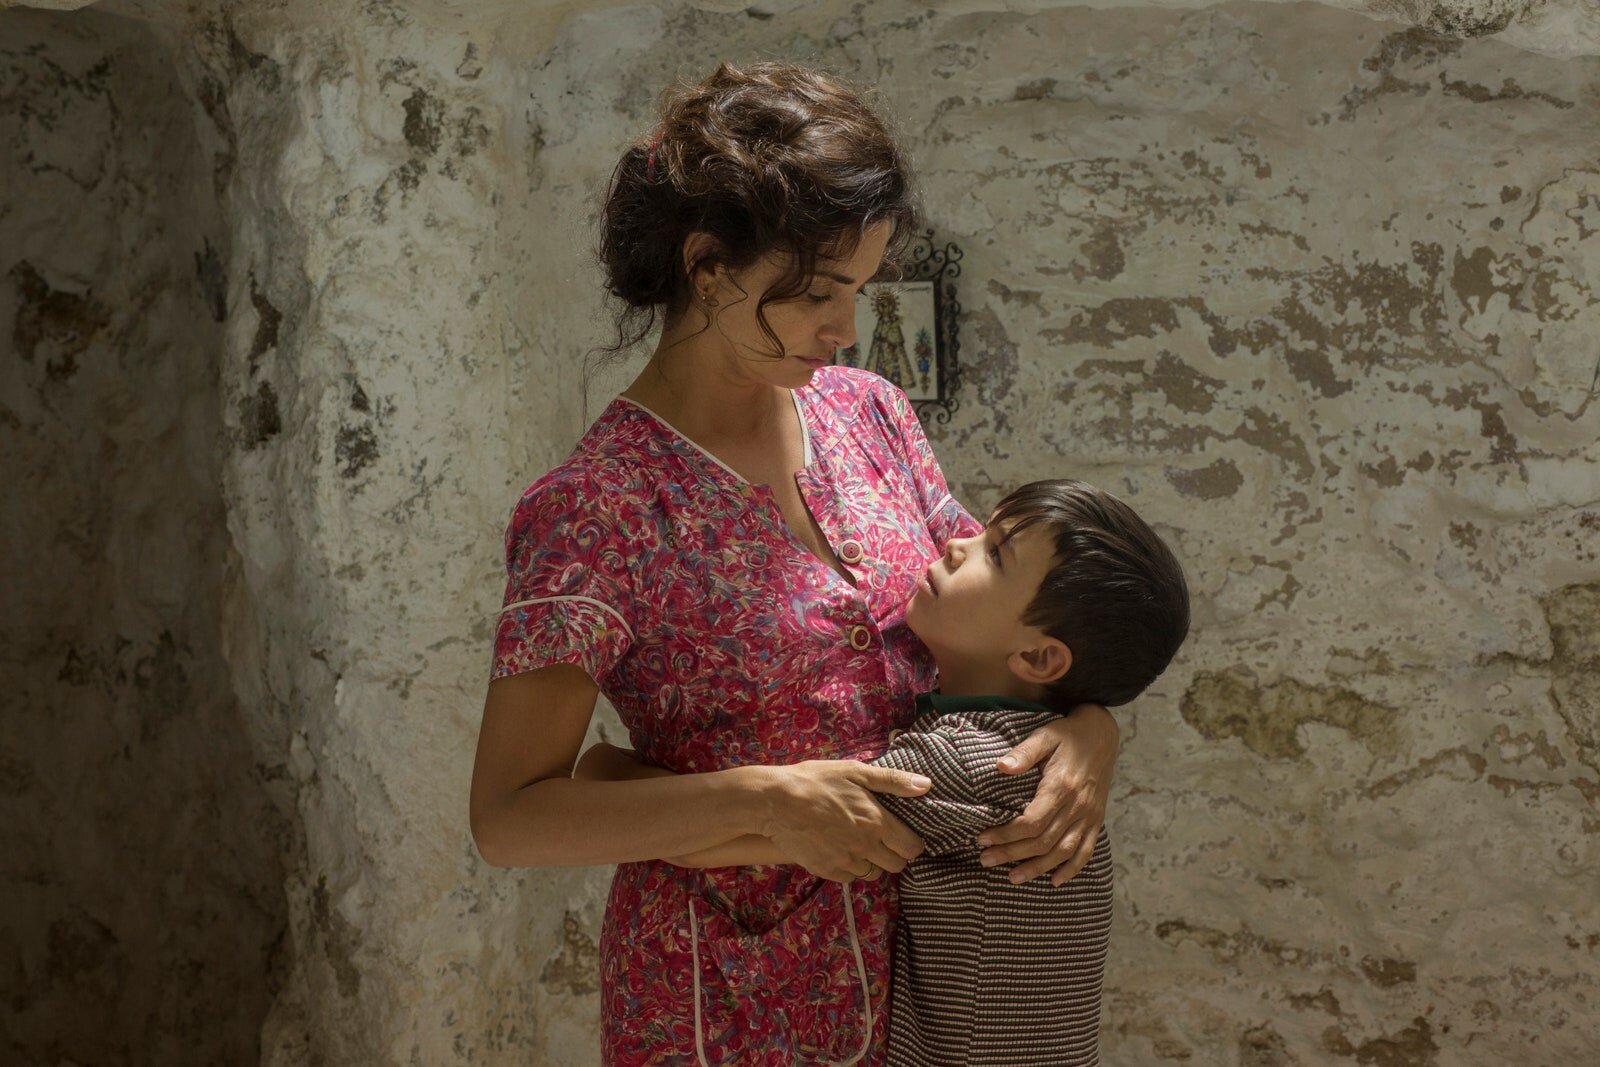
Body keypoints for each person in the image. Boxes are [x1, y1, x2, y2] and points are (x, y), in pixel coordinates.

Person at [468, 61, 1123, 1066]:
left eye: (859, 290)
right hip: (721, 1002)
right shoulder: (597, 508)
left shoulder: (870, 414)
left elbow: (1010, 621)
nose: (846, 327)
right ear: (706, 265)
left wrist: (1086, 728)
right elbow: (510, 816)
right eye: (817, 291)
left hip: (926, 993)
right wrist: (765, 803)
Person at [587, 479, 1190, 1065]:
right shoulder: (1028, 747)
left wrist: (601, 772)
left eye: (995, 553)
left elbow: (702, 844)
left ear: (1037, 657)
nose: (955, 543)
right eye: (983, 529)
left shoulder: (960, 766)